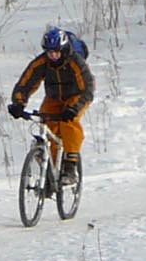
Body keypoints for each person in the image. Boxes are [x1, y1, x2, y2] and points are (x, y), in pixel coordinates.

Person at [7, 26, 95, 190]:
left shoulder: (76, 62)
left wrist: (74, 108)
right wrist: (18, 103)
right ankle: (49, 173)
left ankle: (70, 166)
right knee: (47, 126)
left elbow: (87, 89)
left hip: (76, 97)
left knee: (69, 124)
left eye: (56, 52)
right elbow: (26, 83)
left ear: (63, 49)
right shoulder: (42, 62)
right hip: (53, 98)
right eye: (49, 52)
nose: (53, 56)